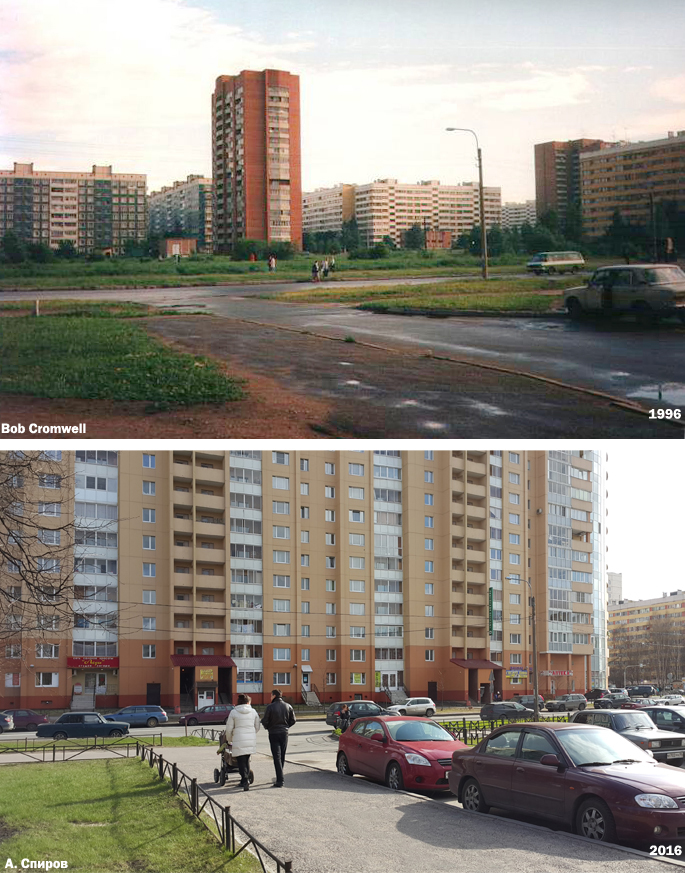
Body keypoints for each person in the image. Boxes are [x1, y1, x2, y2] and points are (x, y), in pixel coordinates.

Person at [223, 694, 260, 791]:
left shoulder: (234, 712)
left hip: (238, 739)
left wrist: (230, 739)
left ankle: (245, 780)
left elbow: (229, 728)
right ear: (248, 702)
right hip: (250, 739)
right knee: (247, 759)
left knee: (240, 761)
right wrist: (251, 733)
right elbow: (257, 726)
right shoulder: (253, 711)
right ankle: (245, 778)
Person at [261, 688, 296, 787]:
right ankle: (279, 776)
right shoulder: (288, 706)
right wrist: (286, 726)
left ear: (274, 696)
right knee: (282, 755)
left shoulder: (270, 707)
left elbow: (265, 721)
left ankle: (280, 780)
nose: (270, 697)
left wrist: (268, 727)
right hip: (284, 733)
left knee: (276, 756)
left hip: (273, 733)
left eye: (271, 695)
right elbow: (293, 720)